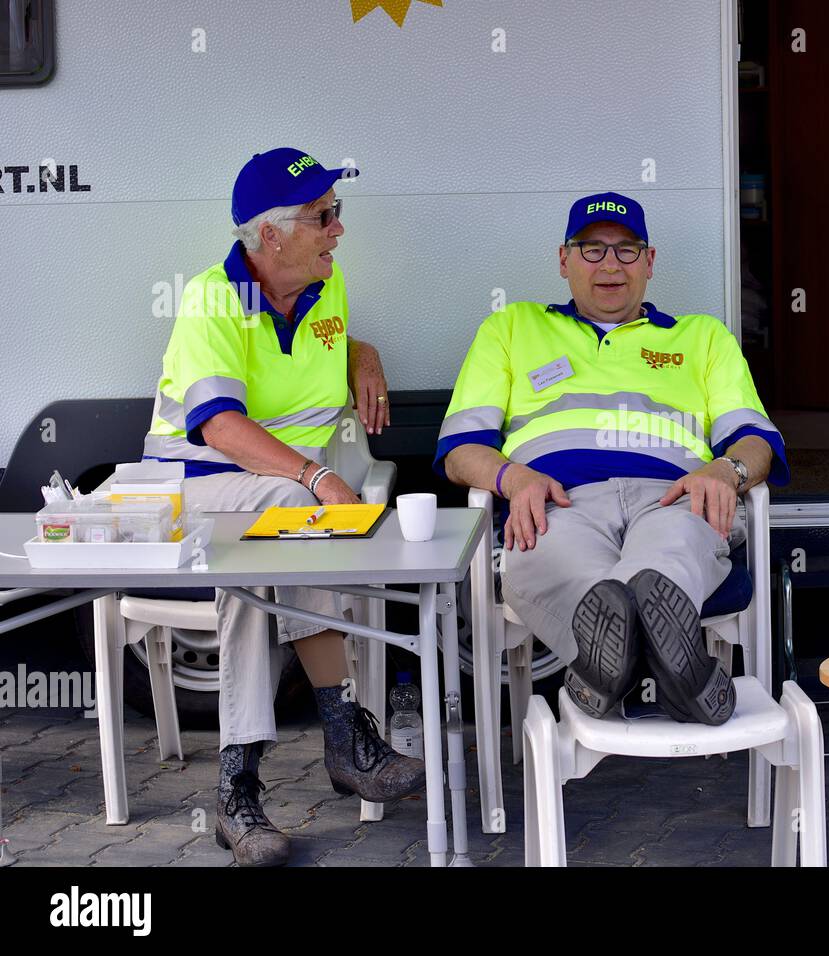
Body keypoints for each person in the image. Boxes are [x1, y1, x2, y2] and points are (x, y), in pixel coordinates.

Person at [144, 148, 422, 866]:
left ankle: (240, 788)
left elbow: (327, 345)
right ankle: (343, 731)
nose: (338, 229)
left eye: (337, 212)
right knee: (280, 508)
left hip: (271, 508)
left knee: (258, 554)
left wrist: (365, 353)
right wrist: (313, 476)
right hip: (193, 484)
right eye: (322, 216)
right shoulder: (212, 297)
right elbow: (220, 428)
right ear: (269, 236)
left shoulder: (326, 284)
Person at [436, 192, 788, 724]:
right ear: (564, 260)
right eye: (591, 249)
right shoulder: (511, 329)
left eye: (626, 251)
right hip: (556, 501)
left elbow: (756, 440)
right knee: (559, 561)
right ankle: (680, 677)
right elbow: (460, 450)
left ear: (649, 262)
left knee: (667, 560)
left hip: (673, 498)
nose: (610, 266)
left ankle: (605, 671)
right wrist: (512, 478)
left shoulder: (702, 337)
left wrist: (727, 469)